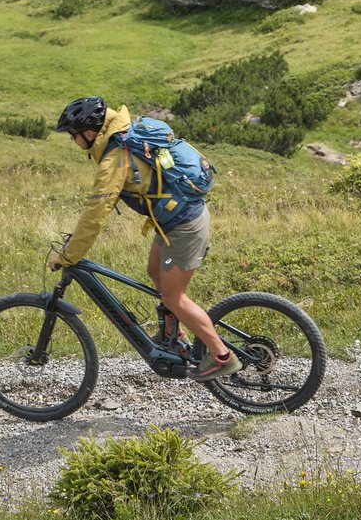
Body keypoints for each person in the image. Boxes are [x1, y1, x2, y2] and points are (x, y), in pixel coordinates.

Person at [51, 96, 233, 373]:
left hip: (184, 225)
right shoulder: (123, 133)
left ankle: (221, 357)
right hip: (173, 220)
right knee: (155, 272)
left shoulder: (115, 158)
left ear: (88, 133)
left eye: (73, 136)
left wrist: (69, 255)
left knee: (174, 297)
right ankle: (176, 335)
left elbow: (95, 214)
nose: (73, 142)